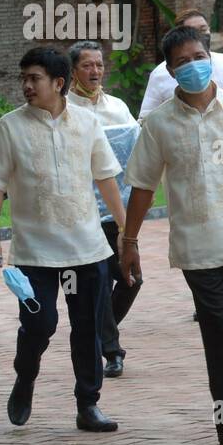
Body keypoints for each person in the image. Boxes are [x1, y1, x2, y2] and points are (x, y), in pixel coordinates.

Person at [119, 25, 223, 445]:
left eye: (198, 57)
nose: (192, 66)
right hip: (198, 249)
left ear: (211, 58)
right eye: (182, 61)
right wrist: (129, 243)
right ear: (169, 70)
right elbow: (144, 186)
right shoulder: (160, 124)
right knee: (219, 336)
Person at [0, 46, 125, 432]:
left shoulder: (88, 123)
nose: (26, 86)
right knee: (39, 324)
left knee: (87, 329)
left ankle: (88, 404)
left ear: (58, 83)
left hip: (86, 249)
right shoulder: (9, 127)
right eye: (23, 78)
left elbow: (106, 177)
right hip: (33, 253)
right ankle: (25, 378)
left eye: (34, 79)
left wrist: (127, 232)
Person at [68, 40, 140, 377]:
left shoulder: (118, 108)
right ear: (72, 71)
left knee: (132, 279)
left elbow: (134, 156)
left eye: (98, 64)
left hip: (119, 210)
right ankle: (112, 351)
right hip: (82, 213)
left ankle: (94, 331)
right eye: (87, 65)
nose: (95, 71)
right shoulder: (63, 109)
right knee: (97, 280)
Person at [137, 9, 223, 119]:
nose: (200, 35)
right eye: (193, 31)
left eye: (203, 29)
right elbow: (146, 118)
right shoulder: (159, 74)